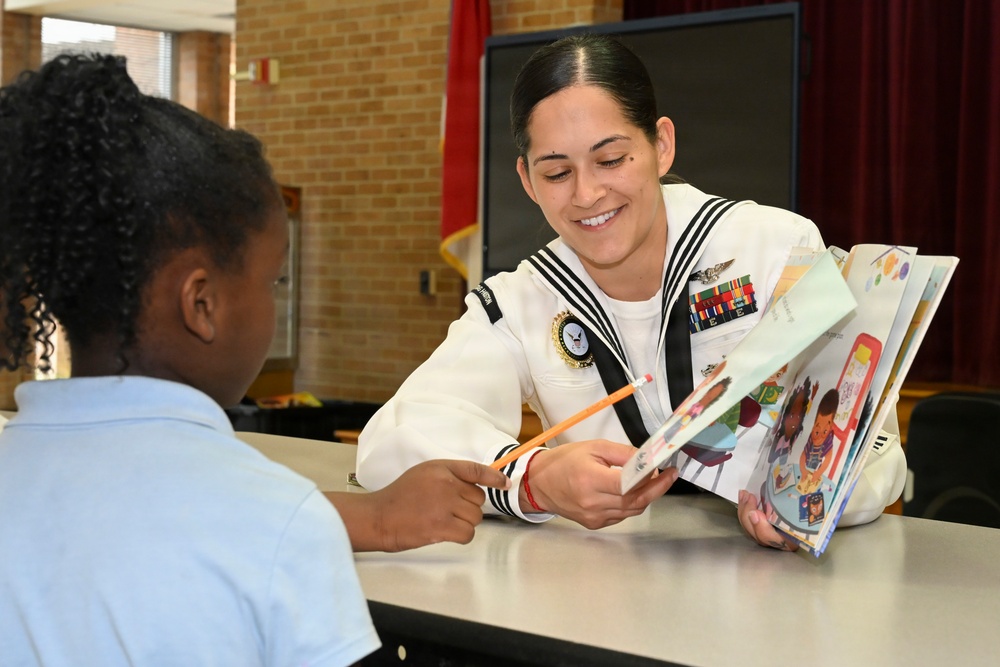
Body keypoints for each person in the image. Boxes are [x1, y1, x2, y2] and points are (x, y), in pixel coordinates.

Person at [0, 53, 509, 666]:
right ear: (203, 304)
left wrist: (366, 516)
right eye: (273, 281)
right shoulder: (274, 525)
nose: (274, 305)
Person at [357, 33, 906, 551]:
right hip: (610, 593)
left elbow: (879, 454)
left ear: (661, 145)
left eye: (611, 160)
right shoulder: (521, 301)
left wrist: (803, 500)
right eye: (556, 173)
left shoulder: (775, 250)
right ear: (526, 180)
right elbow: (390, 442)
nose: (588, 194)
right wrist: (533, 478)